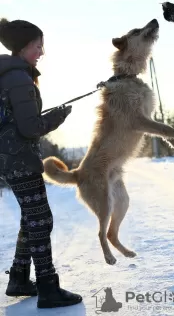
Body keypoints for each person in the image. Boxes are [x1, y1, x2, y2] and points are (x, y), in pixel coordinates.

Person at [0, 18, 82, 308]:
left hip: (10, 159)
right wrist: (58, 117)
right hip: (19, 159)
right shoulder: (18, 77)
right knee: (41, 219)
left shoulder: (9, 74)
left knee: (31, 217)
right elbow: (30, 128)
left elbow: (15, 119)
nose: (41, 51)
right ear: (23, 47)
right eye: (37, 46)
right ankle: (48, 287)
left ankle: (20, 277)